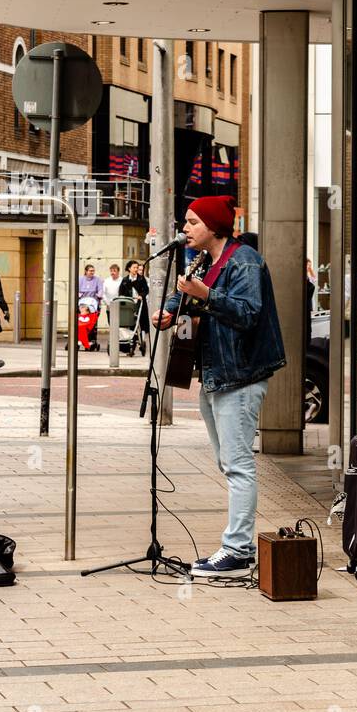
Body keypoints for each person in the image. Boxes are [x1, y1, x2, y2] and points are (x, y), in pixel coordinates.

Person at [154, 195, 286, 577]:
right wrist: (173, 310)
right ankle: (235, 548)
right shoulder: (204, 261)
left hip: (240, 376)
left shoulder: (244, 261)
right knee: (229, 463)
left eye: (192, 222)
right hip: (216, 374)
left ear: (214, 226)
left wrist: (205, 296)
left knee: (239, 465)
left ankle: (238, 551)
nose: (185, 229)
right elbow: (186, 295)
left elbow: (248, 313)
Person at [119, 259, 151, 346]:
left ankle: (141, 339)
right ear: (129, 268)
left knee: (141, 322)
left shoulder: (141, 279)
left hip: (140, 304)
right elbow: (121, 292)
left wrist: (141, 295)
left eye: (137, 267)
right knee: (130, 322)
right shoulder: (125, 280)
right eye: (134, 267)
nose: (136, 269)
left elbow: (146, 290)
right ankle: (129, 340)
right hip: (128, 304)